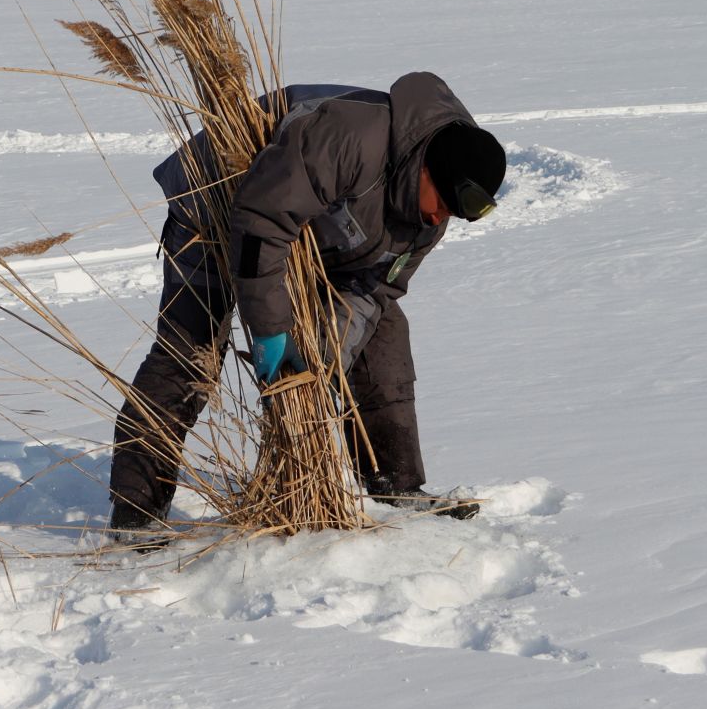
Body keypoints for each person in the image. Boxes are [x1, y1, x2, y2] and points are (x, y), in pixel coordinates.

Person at [107, 72, 506, 538]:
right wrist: (273, 330)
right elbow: (261, 224)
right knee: (189, 352)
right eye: (443, 204)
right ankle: (136, 516)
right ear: (425, 168)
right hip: (215, 204)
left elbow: (375, 290)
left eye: (454, 215)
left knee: (383, 332)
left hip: (312, 237)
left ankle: (396, 487)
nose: (441, 220)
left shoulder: (426, 221)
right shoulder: (350, 139)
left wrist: (322, 356)